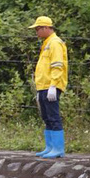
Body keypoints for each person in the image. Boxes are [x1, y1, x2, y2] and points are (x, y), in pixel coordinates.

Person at [30, 16, 68, 159]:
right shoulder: (47, 43)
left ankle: (58, 148)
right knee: (46, 117)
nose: (36, 32)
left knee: (53, 116)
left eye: (38, 29)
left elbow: (57, 65)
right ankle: (50, 147)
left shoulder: (55, 43)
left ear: (46, 28)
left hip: (51, 86)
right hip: (43, 86)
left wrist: (54, 85)